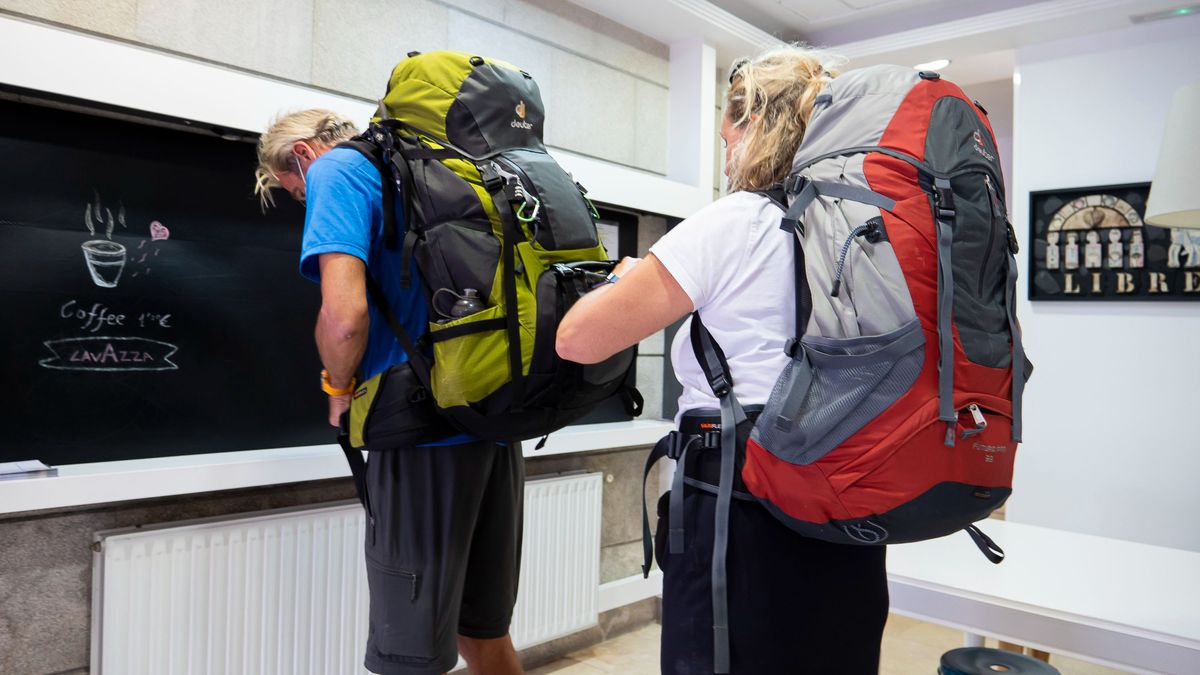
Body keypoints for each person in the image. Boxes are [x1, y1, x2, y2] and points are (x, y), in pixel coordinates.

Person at [557, 46, 888, 674]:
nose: (726, 147)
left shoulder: (736, 221)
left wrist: (623, 283)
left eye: (727, 132)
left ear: (753, 126)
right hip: (849, 482)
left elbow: (579, 339)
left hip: (744, 484)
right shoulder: (869, 228)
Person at [253, 109, 524, 675]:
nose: (306, 202)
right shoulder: (430, 169)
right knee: (482, 630)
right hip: (492, 422)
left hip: (417, 432)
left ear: (302, 156)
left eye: (296, 195)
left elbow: (345, 317)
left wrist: (337, 384)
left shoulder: (338, 171)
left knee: (407, 653)